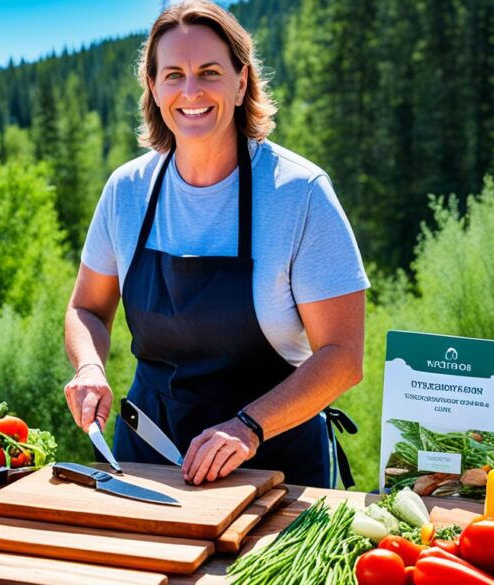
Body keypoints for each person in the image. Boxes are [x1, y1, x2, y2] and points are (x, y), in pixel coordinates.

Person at [63, 0, 369, 488]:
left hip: (274, 467)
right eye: (173, 75)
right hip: (145, 462)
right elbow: (87, 310)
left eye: (209, 71)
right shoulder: (127, 190)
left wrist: (248, 428)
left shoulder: (299, 193)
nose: (191, 91)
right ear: (153, 87)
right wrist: (89, 367)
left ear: (241, 80)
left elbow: (341, 356)